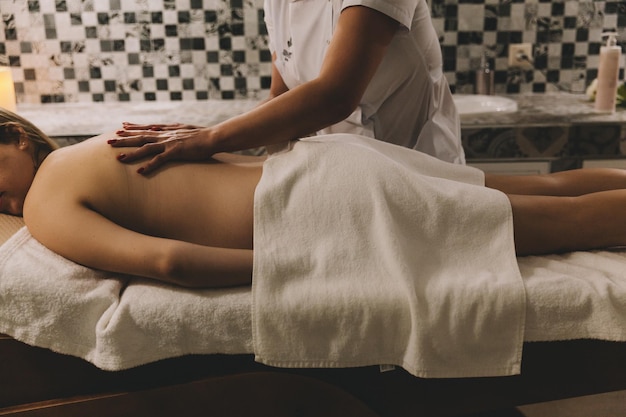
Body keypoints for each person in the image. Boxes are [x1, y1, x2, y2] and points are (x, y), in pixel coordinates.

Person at [3, 108, 626, 289]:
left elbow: (172, 263)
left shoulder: (45, 201)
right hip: (329, 166)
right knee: (539, 191)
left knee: (566, 224)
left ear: (15, 138)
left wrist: (308, 266)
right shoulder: (105, 141)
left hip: (325, 208)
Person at [107, 0, 465, 175]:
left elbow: (334, 95)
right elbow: (281, 96)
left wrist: (212, 139)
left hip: (421, 173)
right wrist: (233, 160)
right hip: (337, 177)